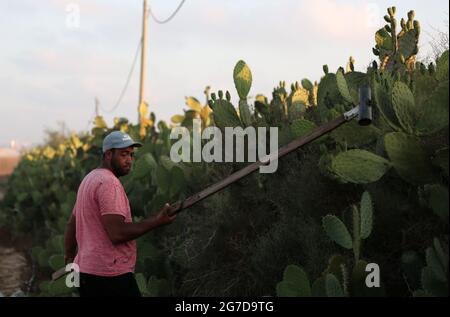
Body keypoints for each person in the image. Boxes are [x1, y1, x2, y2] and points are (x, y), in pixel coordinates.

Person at [64, 131, 176, 297]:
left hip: (86, 273)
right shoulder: (109, 183)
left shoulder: (89, 179)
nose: (129, 160)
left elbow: (71, 224)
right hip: (110, 275)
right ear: (108, 154)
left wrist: (69, 257)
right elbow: (116, 233)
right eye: (123, 154)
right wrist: (157, 221)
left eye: (131, 155)